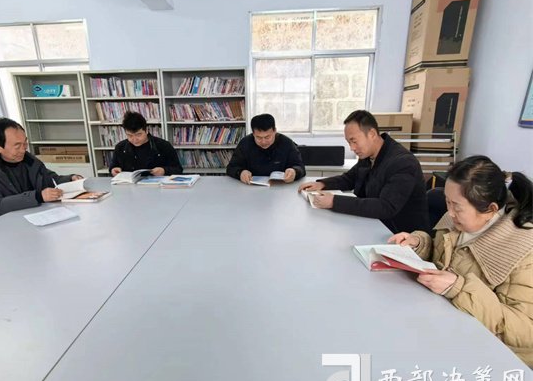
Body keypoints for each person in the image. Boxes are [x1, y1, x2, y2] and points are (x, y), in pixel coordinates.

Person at [388, 156, 533, 367]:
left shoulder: (524, 249)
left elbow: (526, 331)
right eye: (447, 201)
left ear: (491, 210)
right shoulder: (460, 217)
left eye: (456, 206)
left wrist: (459, 288)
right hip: (444, 327)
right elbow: (442, 256)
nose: (449, 212)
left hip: (498, 359)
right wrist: (418, 243)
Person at [298, 110, 429, 233]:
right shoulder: (368, 155)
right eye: (349, 142)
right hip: (372, 224)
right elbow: (350, 178)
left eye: (354, 141)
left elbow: (386, 207)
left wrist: (334, 201)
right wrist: (322, 184)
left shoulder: (403, 162)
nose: (352, 148)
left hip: (399, 234)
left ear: (372, 134)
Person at [0, 118, 83, 223]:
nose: (23, 149)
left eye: (25, 143)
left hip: (33, 219)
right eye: (17, 146)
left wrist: (71, 179)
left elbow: (50, 179)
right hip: (1, 226)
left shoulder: (30, 160)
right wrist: (38, 196)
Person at [226, 113, 305, 184]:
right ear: (253, 134)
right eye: (258, 137)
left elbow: (300, 167)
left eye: (267, 137)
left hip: (280, 187)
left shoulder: (286, 143)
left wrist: (295, 172)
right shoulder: (245, 143)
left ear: (275, 131)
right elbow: (231, 167)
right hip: (252, 188)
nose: (263, 142)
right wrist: (240, 173)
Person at [109, 111, 182, 177]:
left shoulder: (163, 145)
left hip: (156, 186)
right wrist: (113, 170)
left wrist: (164, 170)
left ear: (146, 131)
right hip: (129, 186)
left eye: (138, 134)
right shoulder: (120, 147)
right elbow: (113, 167)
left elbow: (178, 169)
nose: (134, 139)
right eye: (130, 135)